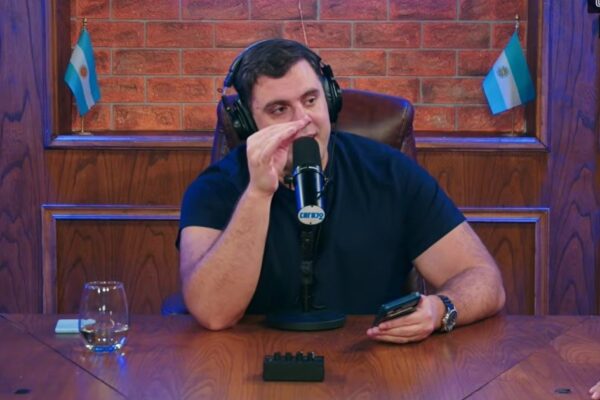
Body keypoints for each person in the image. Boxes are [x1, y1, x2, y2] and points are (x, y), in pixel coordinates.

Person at [178, 38, 505, 343]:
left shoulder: (391, 174)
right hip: (251, 360)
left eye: (311, 100)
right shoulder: (214, 188)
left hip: (373, 359)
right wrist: (257, 194)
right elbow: (213, 312)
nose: (303, 120)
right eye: (279, 109)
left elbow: (484, 278)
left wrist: (439, 309)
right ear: (247, 124)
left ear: (330, 100)